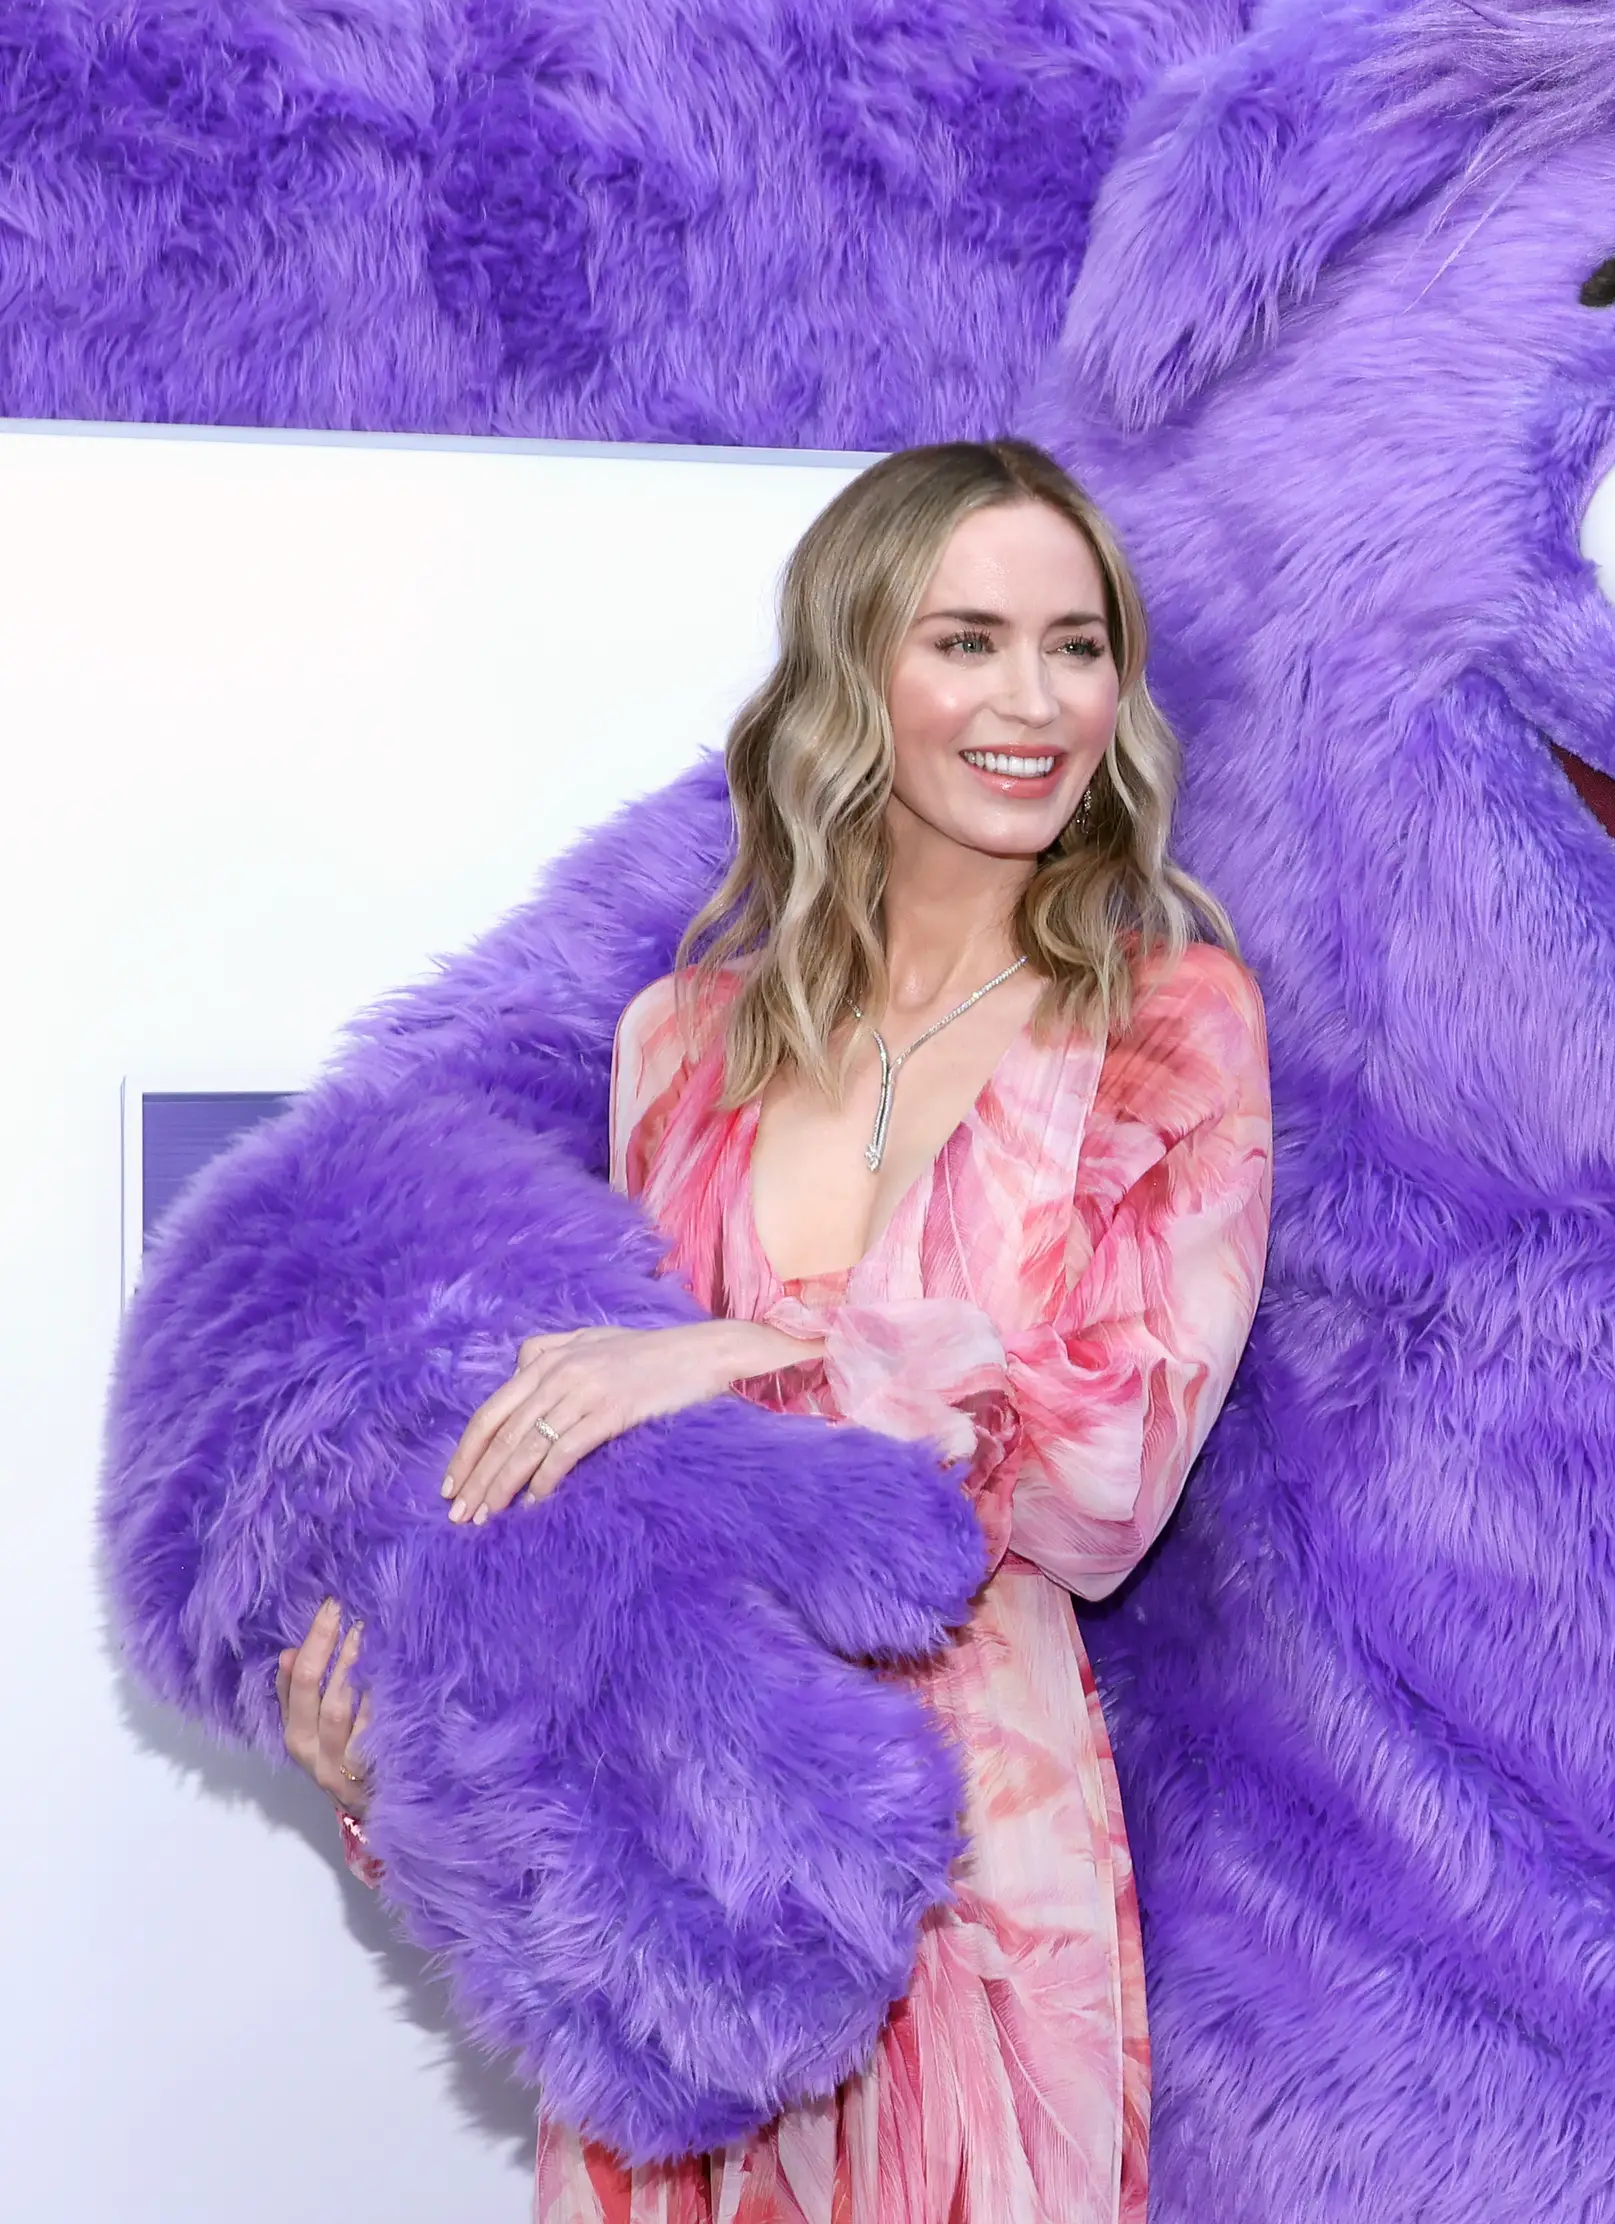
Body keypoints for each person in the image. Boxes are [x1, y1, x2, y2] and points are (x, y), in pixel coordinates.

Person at [276, 439, 1274, 2224]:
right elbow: (609, 1506)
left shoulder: (1168, 1022)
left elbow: (1105, 1483)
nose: (1034, 700)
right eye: (966, 639)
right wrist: (402, 1748)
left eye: (1078, 642)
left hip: (985, 1896)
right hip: (698, 1883)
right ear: (852, 669)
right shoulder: (678, 1043)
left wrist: (744, 1362)